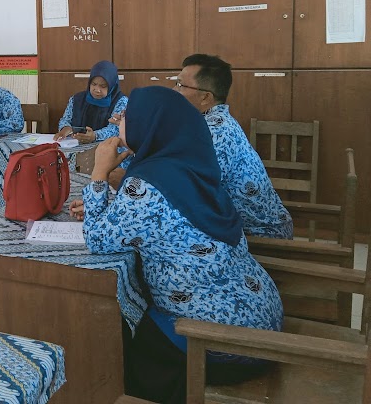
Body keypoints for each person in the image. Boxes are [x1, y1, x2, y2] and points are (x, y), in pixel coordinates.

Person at [74, 86, 282, 403]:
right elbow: (163, 218)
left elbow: (98, 239)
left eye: (127, 116)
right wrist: (107, 202)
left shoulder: (147, 184)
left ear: (151, 124)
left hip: (223, 341)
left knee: (117, 333)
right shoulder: (192, 163)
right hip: (262, 316)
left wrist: (100, 173)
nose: (118, 121)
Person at [173, 53, 293, 239]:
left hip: (258, 235)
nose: (174, 91)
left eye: (181, 85)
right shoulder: (211, 121)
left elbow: (185, 188)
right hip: (244, 226)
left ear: (205, 97)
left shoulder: (214, 131)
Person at [53, 60, 128, 144]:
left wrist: (95, 136)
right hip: (76, 146)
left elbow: (116, 129)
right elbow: (65, 119)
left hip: (108, 148)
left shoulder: (121, 101)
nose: (97, 90)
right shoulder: (77, 99)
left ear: (112, 85)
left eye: (103, 86)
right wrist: (65, 128)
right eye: (93, 84)